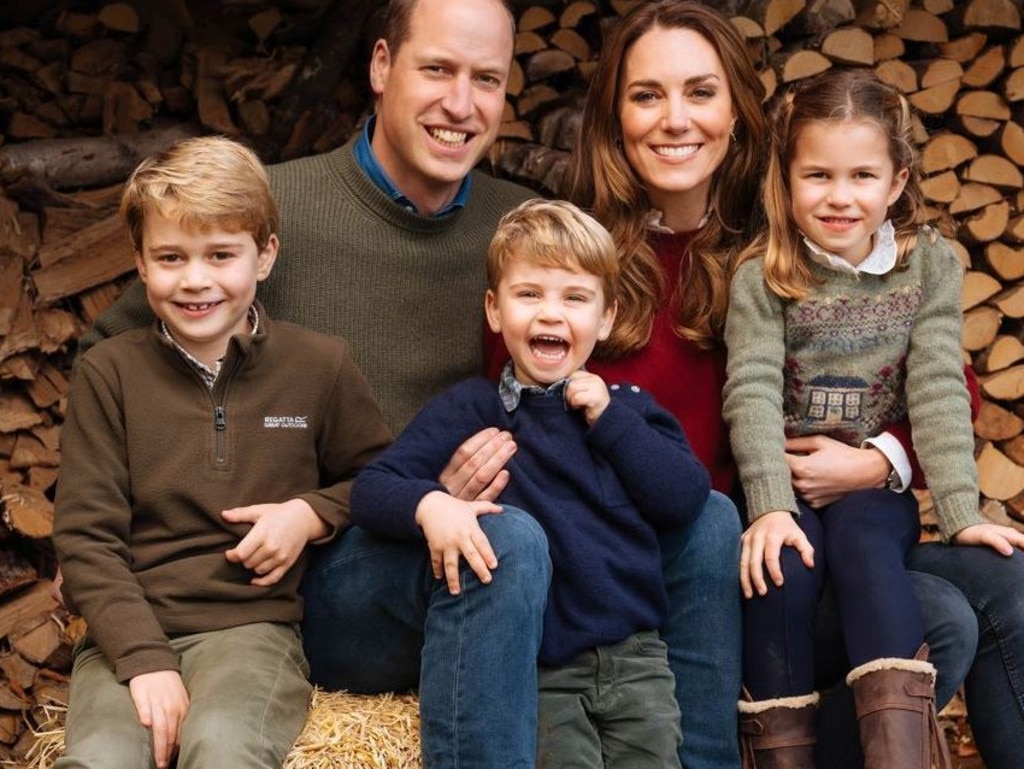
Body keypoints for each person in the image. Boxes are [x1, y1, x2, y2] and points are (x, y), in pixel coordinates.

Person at [77, 1, 748, 766]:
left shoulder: (523, 227)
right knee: (508, 539)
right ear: (381, 67)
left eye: (486, 79)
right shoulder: (272, 213)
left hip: (495, 561)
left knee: (709, 520)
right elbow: (124, 357)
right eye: (437, 69)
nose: (460, 104)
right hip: (345, 571)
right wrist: (232, 505)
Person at [556, 2, 995, 767]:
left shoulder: (787, 238)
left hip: (817, 526)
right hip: (691, 559)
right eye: (646, 94)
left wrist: (880, 461)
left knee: (1005, 579)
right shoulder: (575, 260)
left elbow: (947, 381)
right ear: (612, 114)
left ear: (736, 110)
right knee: (943, 616)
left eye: (700, 91)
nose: (674, 120)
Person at [51, 136, 392, 769]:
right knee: (98, 759)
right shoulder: (108, 373)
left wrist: (310, 513)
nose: (196, 279)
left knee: (225, 749)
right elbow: (85, 538)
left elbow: (379, 477)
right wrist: (145, 660)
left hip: (251, 631)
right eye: (171, 256)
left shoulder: (320, 366)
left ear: (265, 256)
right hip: (123, 634)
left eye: (221, 254)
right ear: (140, 262)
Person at [723, 68, 1024, 768]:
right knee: (781, 570)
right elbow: (753, 388)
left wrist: (960, 510)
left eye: (862, 175)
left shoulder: (931, 267)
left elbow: (941, 387)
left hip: (871, 490)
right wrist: (768, 505)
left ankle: (898, 754)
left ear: (896, 181)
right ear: (786, 180)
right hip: (784, 487)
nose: (839, 196)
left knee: (865, 547)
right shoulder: (764, 273)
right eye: (818, 175)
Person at [353, 198, 709, 768]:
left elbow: (686, 498)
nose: (551, 314)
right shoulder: (471, 409)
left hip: (638, 659)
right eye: (530, 294)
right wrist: (432, 506)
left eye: (575, 298)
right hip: (543, 669)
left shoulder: (628, 411)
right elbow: (373, 488)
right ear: (494, 310)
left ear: (607, 318)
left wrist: (609, 423)